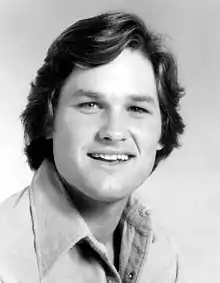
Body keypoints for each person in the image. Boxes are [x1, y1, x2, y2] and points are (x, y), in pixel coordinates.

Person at [0, 11, 185, 283]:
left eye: (136, 108)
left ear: (161, 131)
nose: (113, 131)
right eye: (90, 105)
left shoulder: (162, 256)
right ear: (49, 121)